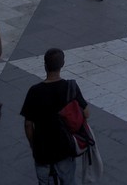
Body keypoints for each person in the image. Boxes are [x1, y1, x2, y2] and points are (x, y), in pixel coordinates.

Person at [21, 48, 87, 184]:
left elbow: (28, 124)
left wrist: (33, 145)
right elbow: (86, 113)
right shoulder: (70, 87)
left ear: (45, 66)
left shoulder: (34, 91)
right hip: (64, 147)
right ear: (62, 65)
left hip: (42, 151)